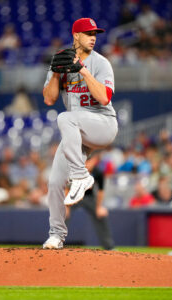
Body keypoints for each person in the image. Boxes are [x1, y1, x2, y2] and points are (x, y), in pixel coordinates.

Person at [42, 18, 118, 249]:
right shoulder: (62, 60)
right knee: (55, 182)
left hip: (102, 124)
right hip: (76, 132)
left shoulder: (101, 63)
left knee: (65, 117)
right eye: (88, 33)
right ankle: (56, 234)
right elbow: (49, 99)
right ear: (76, 36)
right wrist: (56, 73)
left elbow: (104, 98)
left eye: (95, 33)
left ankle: (80, 176)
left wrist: (83, 71)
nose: (93, 37)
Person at [66, 153, 115, 250]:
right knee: (61, 214)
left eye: (89, 161)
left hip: (89, 198)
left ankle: (109, 247)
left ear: (94, 161)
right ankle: (56, 241)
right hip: (74, 196)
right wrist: (65, 207)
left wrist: (99, 207)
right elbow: (66, 189)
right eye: (84, 161)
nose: (86, 164)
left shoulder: (98, 172)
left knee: (101, 215)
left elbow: (101, 191)